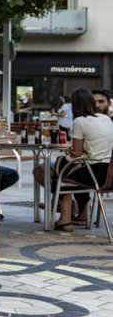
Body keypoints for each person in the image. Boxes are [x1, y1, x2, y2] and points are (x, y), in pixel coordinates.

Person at [53, 87, 113, 232]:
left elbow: (77, 153)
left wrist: (70, 151)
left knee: (61, 167)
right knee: (65, 168)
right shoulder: (106, 119)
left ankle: (65, 219)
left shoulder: (79, 121)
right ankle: (77, 212)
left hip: (95, 174)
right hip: (109, 173)